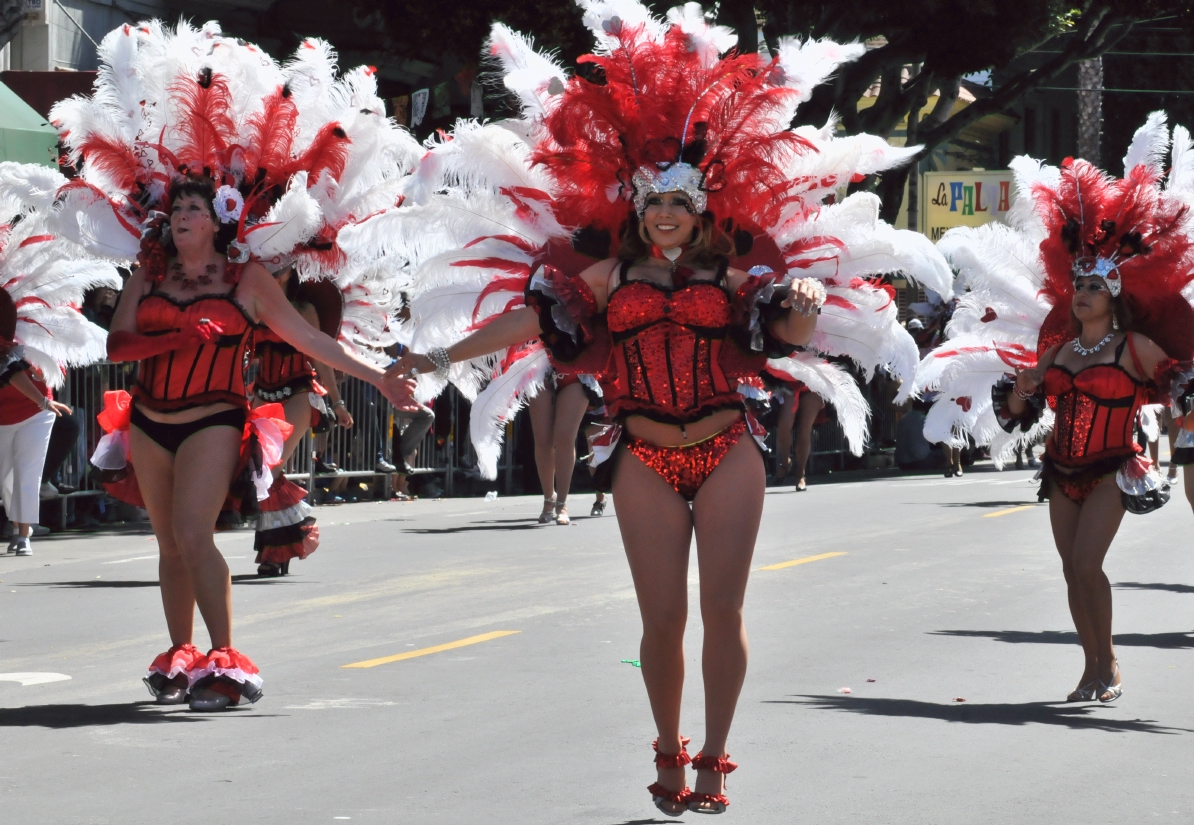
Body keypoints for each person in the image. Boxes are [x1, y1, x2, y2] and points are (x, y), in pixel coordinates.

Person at [378, 7, 951, 814]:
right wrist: (438, 356)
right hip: (642, 452)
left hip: (726, 444)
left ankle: (717, 748)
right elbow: (531, 322)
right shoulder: (610, 278)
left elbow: (789, 332)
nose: (665, 213)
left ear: (705, 209)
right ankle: (667, 744)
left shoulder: (737, 280)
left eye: (679, 201)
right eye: (653, 203)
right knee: (662, 619)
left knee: (723, 608)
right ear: (639, 210)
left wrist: (809, 298)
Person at [104, 178, 413, 711]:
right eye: (176, 207)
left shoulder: (246, 280)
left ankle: (223, 662)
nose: (181, 215)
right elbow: (116, 345)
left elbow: (310, 340)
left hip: (214, 418)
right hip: (148, 417)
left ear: (218, 222)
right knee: (169, 544)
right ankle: (181, 654)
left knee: (193, 534)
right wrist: (176, 339)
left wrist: (379, 377)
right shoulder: (149, 274)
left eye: (194, 208)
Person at [925, 127, 1194, 705]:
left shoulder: (1133, 347)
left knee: (1086, 562)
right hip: (1060, 470)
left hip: (1113, 468)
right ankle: (1092, 667)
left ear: (1114, 295)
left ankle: (1111, 663)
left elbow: (1180, 382)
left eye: (1095, 286)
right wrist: (1022, 388)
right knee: (1072, 573)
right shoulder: (1059, 351)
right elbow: (1021, 412)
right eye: (1079, 284)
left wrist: (1184, 395)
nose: (1083, 293)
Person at [250, 267, 353, 576]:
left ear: (287, 275)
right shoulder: (253, 306)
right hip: (263, 391)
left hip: (298, 391)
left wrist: (338, 402)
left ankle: (276, 553)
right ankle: (280, 544)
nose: (269, 272)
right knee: (259, 472)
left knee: (272, 467)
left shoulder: (303, 310)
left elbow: (320, 356)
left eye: (276, 268)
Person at [528, 375, 592, 524]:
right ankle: (549, 498)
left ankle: (562, 503)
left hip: (575, 370)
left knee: (565, 437)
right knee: (543, 441)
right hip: (539, 368)